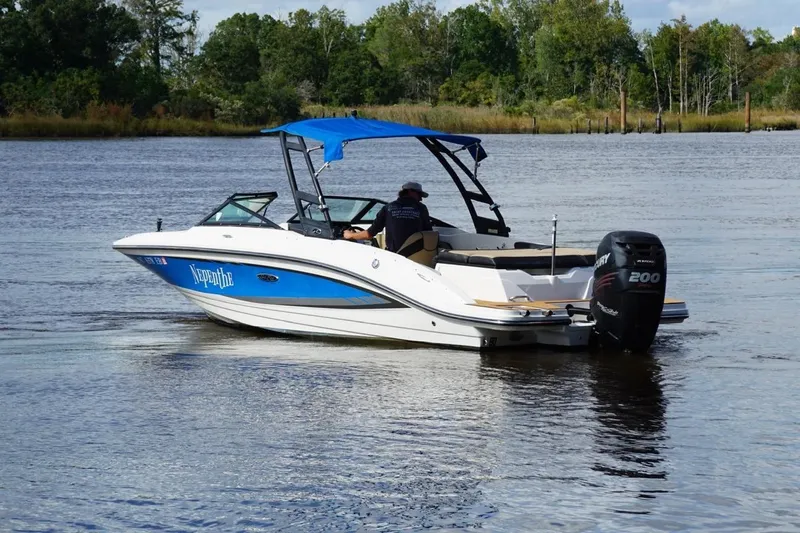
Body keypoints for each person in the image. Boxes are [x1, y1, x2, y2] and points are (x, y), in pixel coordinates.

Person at [343, 181, 433, 252]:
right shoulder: (421, 208)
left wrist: (350, 235)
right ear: (410, 192)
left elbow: (369, 234)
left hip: (394, 254)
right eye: (419, 195)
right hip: (416, 254)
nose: (421, 199)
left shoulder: (388, 208)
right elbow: (429, 234)